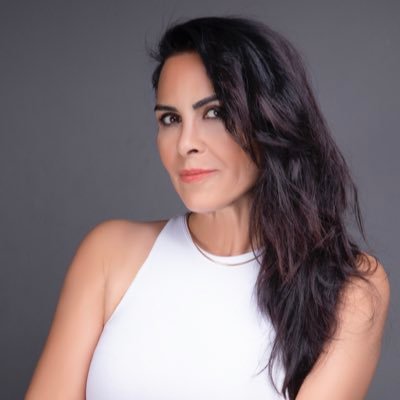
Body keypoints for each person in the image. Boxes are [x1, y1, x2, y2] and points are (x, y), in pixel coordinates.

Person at [25, 16, 390, 400]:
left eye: (213, 113)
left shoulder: (350, 288)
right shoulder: (108, 254)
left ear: (271, 118)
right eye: (170, 119)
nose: (186, 143)